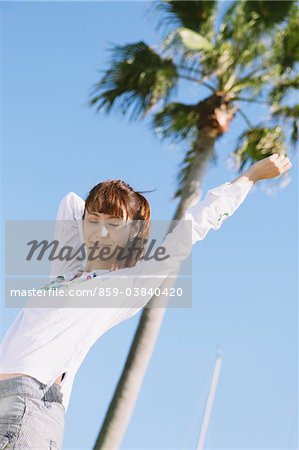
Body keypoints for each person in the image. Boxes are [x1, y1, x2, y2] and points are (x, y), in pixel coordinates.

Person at [0, 154, 292, 449]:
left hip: (28, 407)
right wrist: (110, 201)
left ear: (133, 232)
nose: (100, 231)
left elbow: (191, 228)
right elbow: (70, 202)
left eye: (114, 224)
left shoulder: (131, 282)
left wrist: (249, 177)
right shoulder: (65, 273)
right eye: (93, 220)